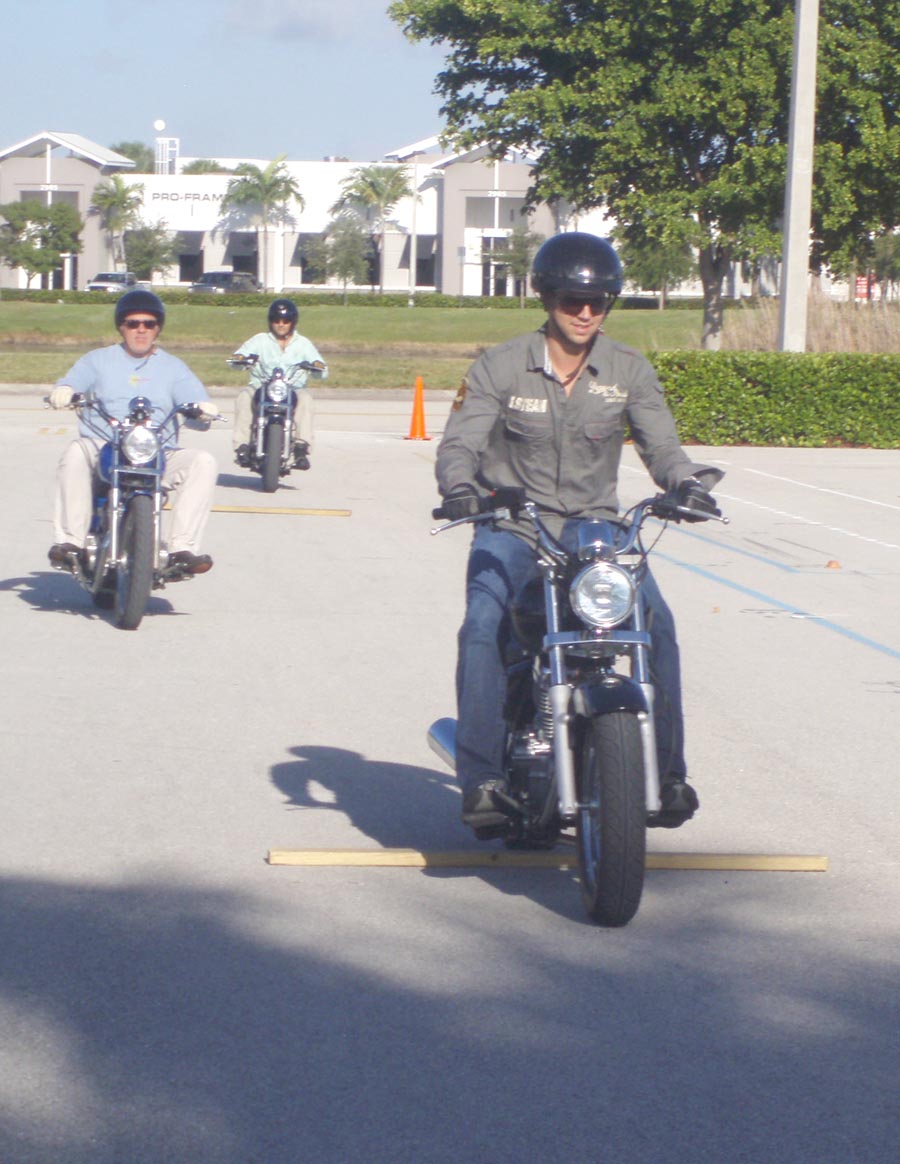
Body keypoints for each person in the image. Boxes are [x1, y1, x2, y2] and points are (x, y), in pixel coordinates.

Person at [435, 232, 723, 833]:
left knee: (656, 624)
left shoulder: (627, 369)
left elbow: (663, 449)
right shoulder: (500, 365)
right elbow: (459, 444)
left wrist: (686, 483)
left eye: (600, 301)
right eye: (573, 300)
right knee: (482, 624)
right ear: (547, 298)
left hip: (597, 529)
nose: (587, 312)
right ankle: (482, 780)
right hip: (513, 525)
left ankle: (668, 774)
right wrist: (461, 487)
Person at [47, 289, 219, 577]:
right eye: (133, 323)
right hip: (105, 444)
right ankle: (71, 542)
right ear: (121, 327)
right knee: (76, 451)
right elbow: (73, 382)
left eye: (148, 324)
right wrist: (65, 391)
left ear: (158, 328)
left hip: (156, 450)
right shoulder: (97, 360)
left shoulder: (174, 368)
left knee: (204, 461)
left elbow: (196, 403)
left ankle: (181, 549)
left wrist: (203, 409)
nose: (141, 330)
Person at [232, 298, 327, 470]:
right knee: (244, 396)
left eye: (286, 320)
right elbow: (238, 358)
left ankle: (301, 448)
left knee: (306, 399)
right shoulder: (259, 340)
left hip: (292, 389)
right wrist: (240, 358)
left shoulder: (303, 344)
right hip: (261, 386)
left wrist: (317, 366)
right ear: (270, 322)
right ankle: (242, 446)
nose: (281, 324)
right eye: (276, 320)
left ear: (293, 322)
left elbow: (321, 369)